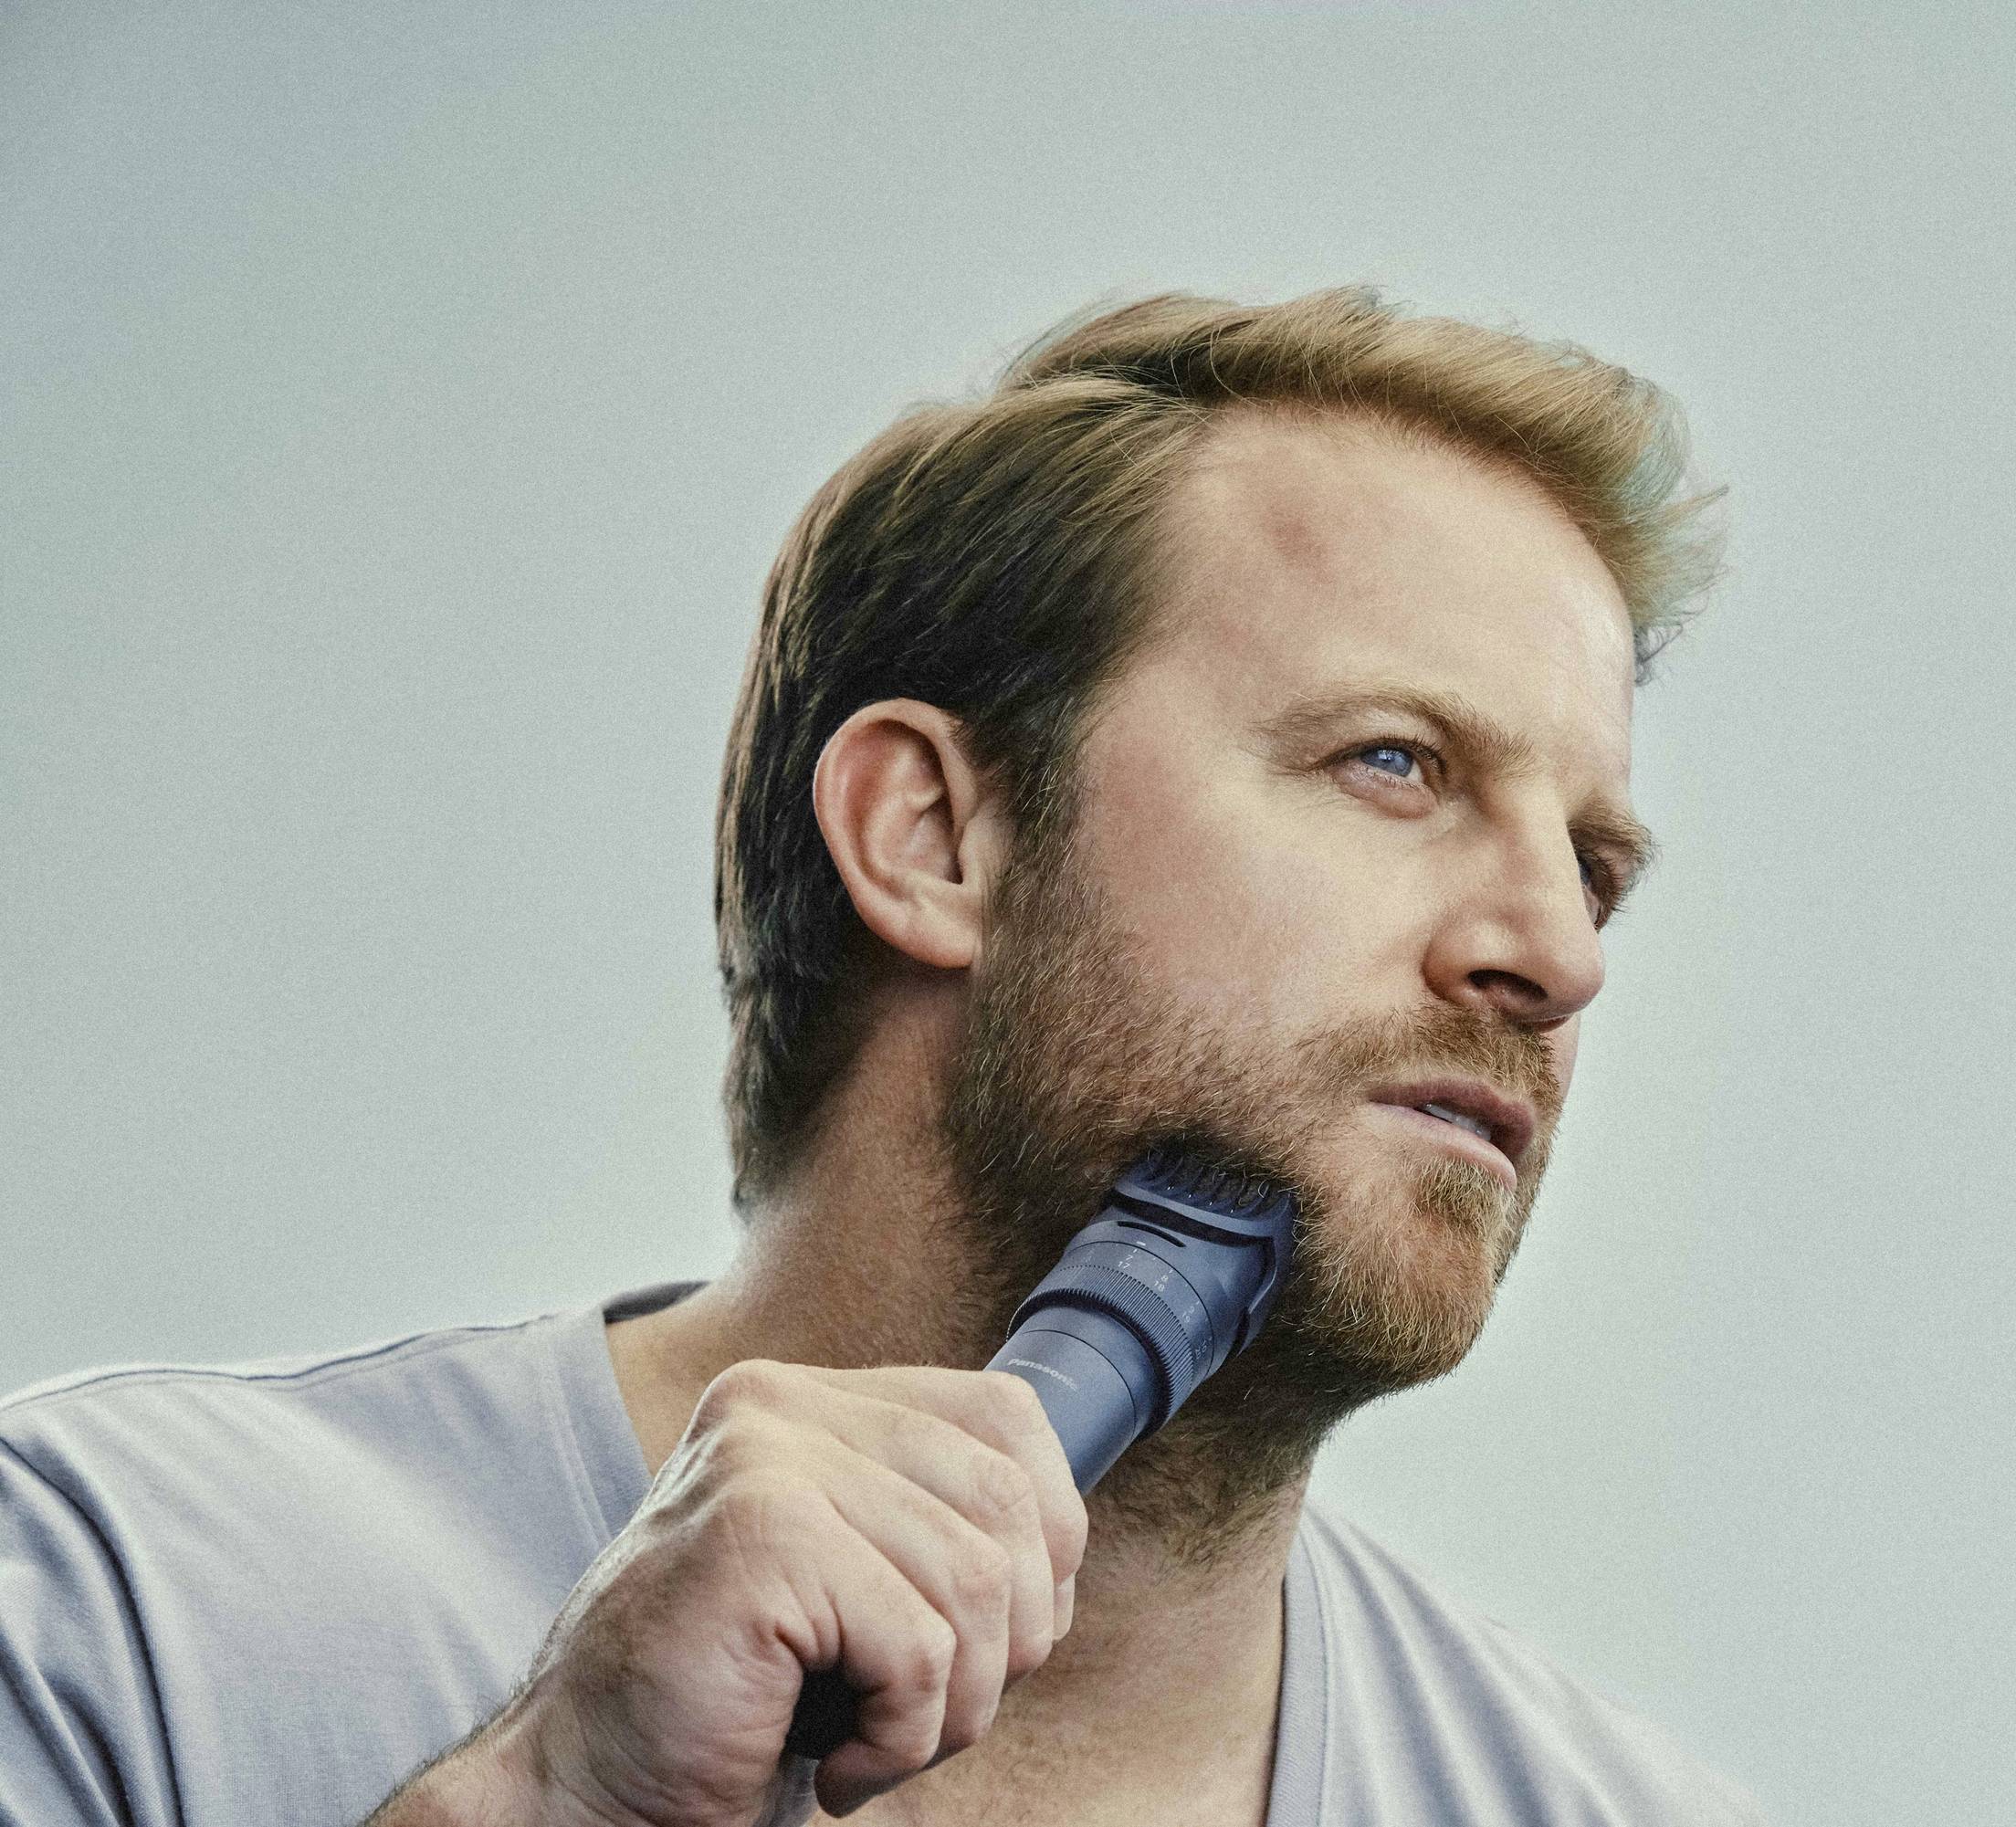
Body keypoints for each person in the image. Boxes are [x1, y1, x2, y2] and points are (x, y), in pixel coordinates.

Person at [0, 288, 1766, 1826]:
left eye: (1598, 864)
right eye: (1394, 763)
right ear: (932, 834)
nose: (1557, 950)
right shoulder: (111, 1601)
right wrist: (551, 1807)